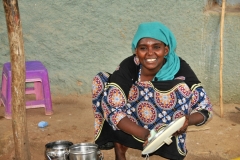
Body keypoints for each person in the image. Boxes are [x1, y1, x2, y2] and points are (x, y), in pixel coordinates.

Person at [91, 21, 213, 160]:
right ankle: (120, 147)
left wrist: (187, 120)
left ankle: (166, 148)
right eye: (143, 48)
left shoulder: (179, 67)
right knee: (105, 84)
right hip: (133, 117)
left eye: (156, 47)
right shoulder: (129, 66)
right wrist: (147, 135)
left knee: (181, 89)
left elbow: (205, 107)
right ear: (136, 51)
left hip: (165, 125)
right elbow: (113, 108)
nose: (150, 53)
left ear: (166, 50)